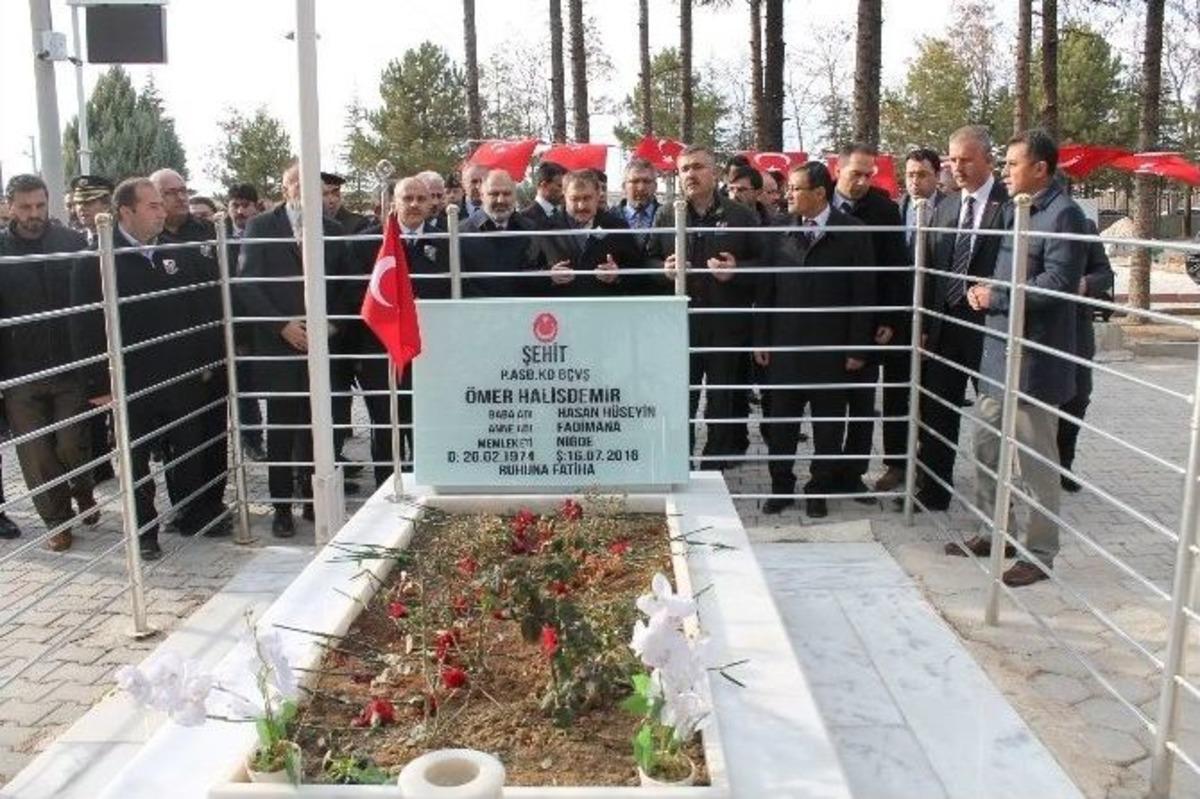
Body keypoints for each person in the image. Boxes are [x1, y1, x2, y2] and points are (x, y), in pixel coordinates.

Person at [951, 129, 1089, 588]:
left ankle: (1040, 552)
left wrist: (998, 295)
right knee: (986, 447)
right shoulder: (1017, 209)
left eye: (1012, 165)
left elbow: (1059, 283)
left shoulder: (1063, 214)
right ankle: (995, 532)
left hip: (1034, 362)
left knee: (1035, 464)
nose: (1005, 172)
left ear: (1041, 169)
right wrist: (984, 290)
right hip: (998, 356)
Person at [71, 178, 215, 561]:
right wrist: (98, 384)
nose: (162, 211)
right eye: (152, 206)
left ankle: (188, 512)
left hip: (178, 377)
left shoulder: (175, 253)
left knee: (185, 451)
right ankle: (144, 531)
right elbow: (84, 328)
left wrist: (201, 365)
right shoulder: (96, 261)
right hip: (129, 382)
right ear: (126, 211)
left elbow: (195, 311)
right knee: (134, 461)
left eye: (160, 205)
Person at [755, 162, 876, 518]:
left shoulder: (853, 232)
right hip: (785, 346)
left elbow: (864, 293)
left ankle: (818, 487)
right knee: (781, 424)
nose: (787, 194)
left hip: (831, 348)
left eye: (795, 189)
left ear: (820, 193)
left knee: (828, 426)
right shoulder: (778, 230)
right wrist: (761, 339)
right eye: (788, 188)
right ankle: (781, 486)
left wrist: (858, 347)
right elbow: (766, 290)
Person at [237, 162, 352, 536]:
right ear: (285, 188)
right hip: (280, 348)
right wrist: (281, 326)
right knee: (283, 430)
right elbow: (249, 284)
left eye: (312, 186)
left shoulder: (333, 231)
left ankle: (312, 500)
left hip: (323, 349)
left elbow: (347, 287)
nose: (305, 191)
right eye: (296, 184)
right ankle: (281, 507)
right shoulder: (260, 227)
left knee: (319, 428)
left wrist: (328, 326)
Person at [647, 145, 763, 469]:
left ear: (714, 173)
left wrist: (737, 270)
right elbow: (647, 257)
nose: (691, 175)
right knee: (681, 395)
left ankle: (715, 464)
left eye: (698, 167)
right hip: (680, 325)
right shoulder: (667, 213)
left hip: (724, 324)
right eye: (684, 169)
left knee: (722, 399)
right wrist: (663, 269)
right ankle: (679, 461)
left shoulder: (741, 215)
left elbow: (764, 264)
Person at [0, 175, 98, 551]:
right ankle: (57, 521)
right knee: (37, 454)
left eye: (40, 205)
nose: (34, 214)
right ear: (11, 206)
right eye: (25, 207)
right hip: (20, 373)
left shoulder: (71, 244)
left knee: (72, 446)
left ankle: (83, 489)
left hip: (70, 368)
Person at [915, 126, 1009, 512]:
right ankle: (934, 491)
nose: (957, 167)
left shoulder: (1010, 207)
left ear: (989, 159)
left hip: (989, 331)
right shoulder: (946, 206)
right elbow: (932, 267)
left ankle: (999, 501)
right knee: (937, 412)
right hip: (944, 326)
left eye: (966, 160)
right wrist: (923, 325)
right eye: (953, 160)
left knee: (993, 421)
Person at [353, 177, 450, 484]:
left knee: (422, 421)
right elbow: (354, 294)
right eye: (407, 198)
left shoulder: (447, 241)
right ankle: (386, 489)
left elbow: (453, 291)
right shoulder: (367, 243)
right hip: (379, 349)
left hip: (427, 350)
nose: (414, 205)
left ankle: (424, 484)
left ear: (430, 203)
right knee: (385, 422)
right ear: (393, 202)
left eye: (421, 199)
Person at [150, 168, 230, 537]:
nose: (180, 198)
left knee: (214, 434)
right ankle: (186, 508)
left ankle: (214, 503)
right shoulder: (150, 242)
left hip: (213, 354)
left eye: (184, 191)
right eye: (171, 193)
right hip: (173, 362)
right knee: (180, 441)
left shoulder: (208, 235)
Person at [831, 143, 907, 499]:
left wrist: (890, 317)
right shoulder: (817, 202)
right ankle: (827, 469)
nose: (861, 181)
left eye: (868, 174)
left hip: (868, 320)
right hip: (825, 319)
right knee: (828, 403)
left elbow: (896, 269)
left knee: (862, 402)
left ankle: (854, 472)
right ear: (837, 171)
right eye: (854, 173)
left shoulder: (884, 209)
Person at [1058, 218, 1114, 492]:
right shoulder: (1016, 219)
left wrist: (1086, 283)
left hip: (1075, 327)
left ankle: (1063, 463)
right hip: (1031, 326)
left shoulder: (1083, 226)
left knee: (1078, 397)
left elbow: (1105, 273)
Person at [69, 175, 117, 483]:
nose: (83, 209)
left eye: (91, 201)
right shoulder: (79, 244)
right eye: (78, 203)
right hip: (96, 353)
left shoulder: (119, 243)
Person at [530, 169, 644, 296]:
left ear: (598, 194)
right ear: (564, 196)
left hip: (604, 310)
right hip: (561, 312)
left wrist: (618, 275)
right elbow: (527, 273)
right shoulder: (544, 228)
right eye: (575, 199)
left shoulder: (617, 227)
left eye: (587, 198)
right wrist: (549, 276)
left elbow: (639, 271)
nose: (581, 206)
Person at [225, 183, 266, 462]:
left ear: (256, 207)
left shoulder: (267, 236)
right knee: (245, 388)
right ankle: (251, 440)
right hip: (237, 328)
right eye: (235, 205)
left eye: (245, 205)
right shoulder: (219, 240)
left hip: (267, 326)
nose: (240, 211)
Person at [460, 170, 538, 298]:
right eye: (494, 194)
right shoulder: (461, 233)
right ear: (481, 195)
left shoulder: (530, 229)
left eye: (506, 194)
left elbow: (535, 276)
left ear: (515, 196)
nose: (500, 200)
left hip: (521, 312)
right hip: (477, 312)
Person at [900, 148, 944, 259]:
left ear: (937, 176)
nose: (915, 181)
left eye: (922, 175)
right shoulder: (894, 209)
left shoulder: (952, 208)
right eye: (910, 175)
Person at [616, 158, 661, 237]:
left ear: (655, 186)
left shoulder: (669, 217)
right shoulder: (609, 218)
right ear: (624, 186)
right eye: (635, 181)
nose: (641, 188)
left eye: (647, 181)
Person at [520, 161, 566, 229]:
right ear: (544, 185)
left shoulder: (564, 216)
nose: (564, 192)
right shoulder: (524, 218)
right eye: (560, 186)